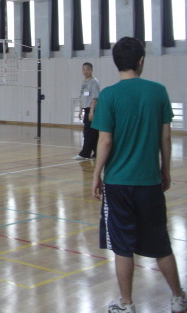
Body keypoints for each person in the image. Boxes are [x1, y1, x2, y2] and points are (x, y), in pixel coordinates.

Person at [91, 37, 185, 313]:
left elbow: (105, 141)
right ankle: (178, 298)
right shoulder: (158, 91)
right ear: (141, 60)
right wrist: (165, 170)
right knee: (160, 244)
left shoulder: (109, 95)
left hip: (118, 184)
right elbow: (165, 137)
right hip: (149, 182)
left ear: (116, 62)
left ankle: (127, 304)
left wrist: (96, 174)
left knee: (122, 247)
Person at [74, 62, 100, 160]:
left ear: (91, 70)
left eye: (88, 69)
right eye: (84, 70)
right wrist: (80, 110)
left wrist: (92, 111)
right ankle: (97, 153)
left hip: (92, 109)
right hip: (86, 109)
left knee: (88, 133)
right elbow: (83, 96)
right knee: (92, 133)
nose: (85, 71)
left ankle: (84, 153)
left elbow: (94, 98)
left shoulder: (94, 82)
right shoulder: (84, 82)